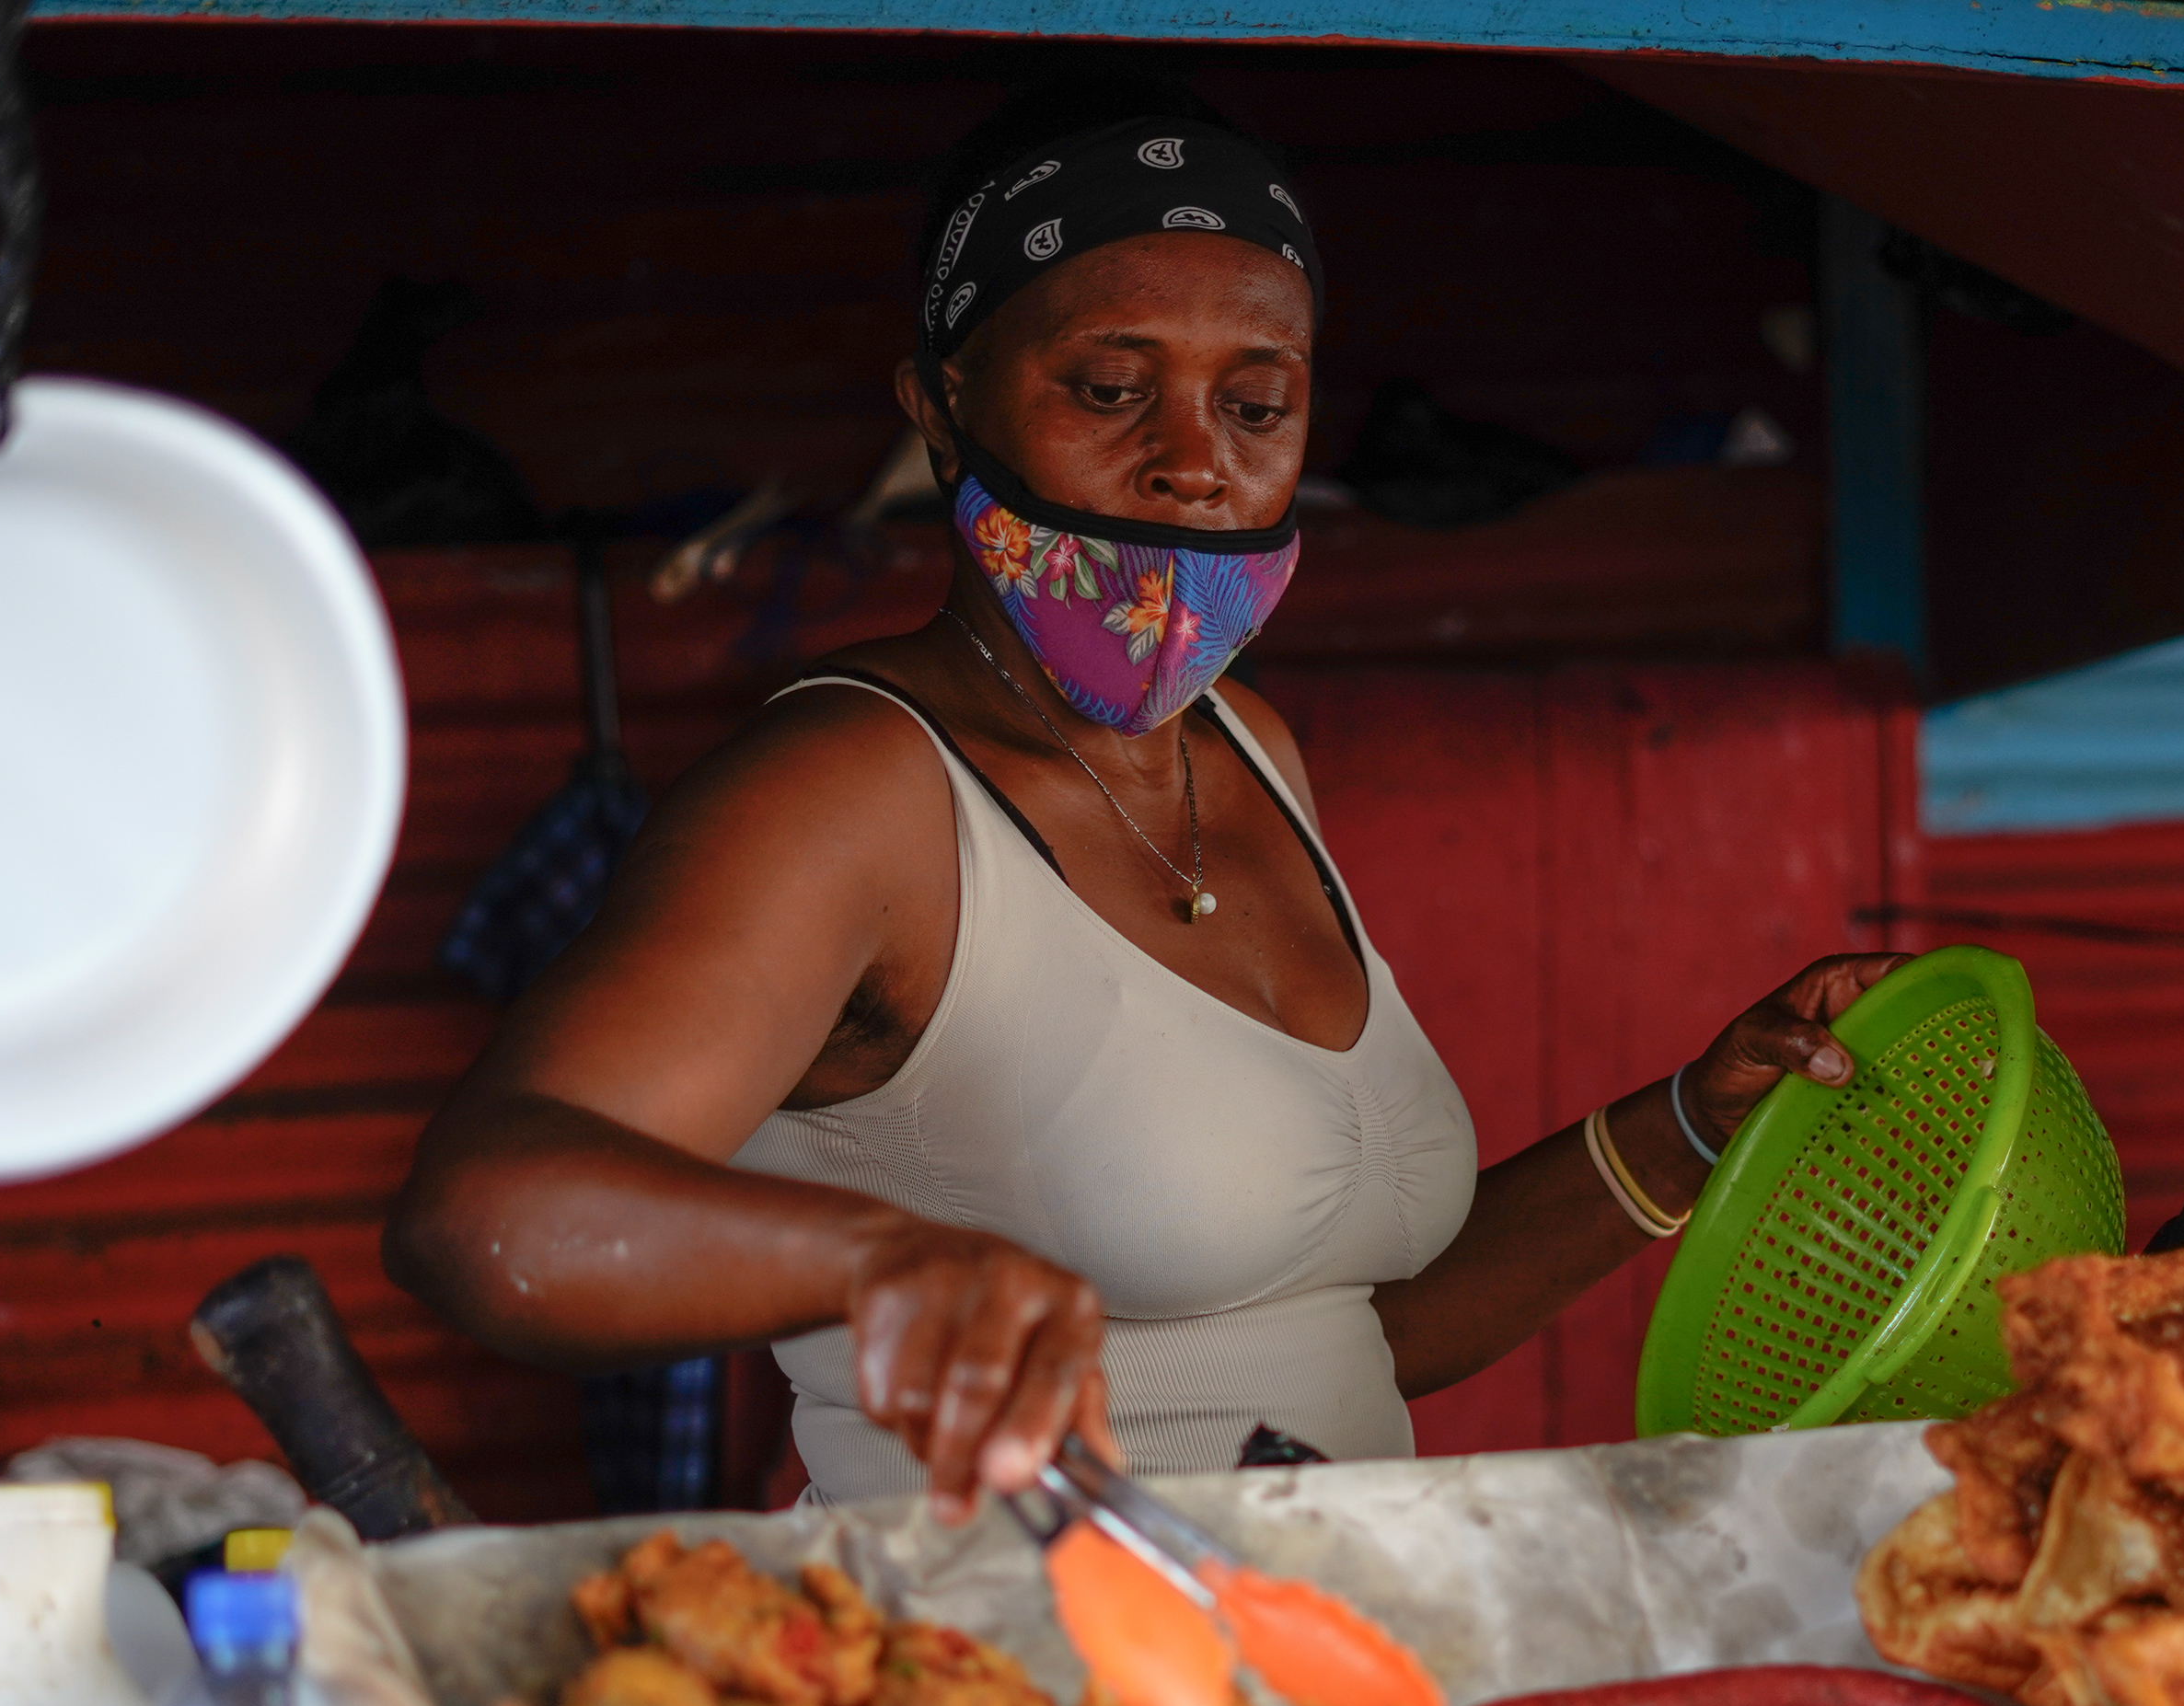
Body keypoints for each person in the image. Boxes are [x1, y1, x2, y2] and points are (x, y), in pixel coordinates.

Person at [386, 72, 1893, 1519]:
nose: (1192, 464)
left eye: (1259, 404)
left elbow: (1342, 1334)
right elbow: (485, 1212)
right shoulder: (853, 788)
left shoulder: (1250, 749)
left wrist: (1691, 1123)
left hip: (1318, 1659)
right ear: (943, 405)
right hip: (1006, 1658)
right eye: (1111, 390)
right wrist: (871, 1262)